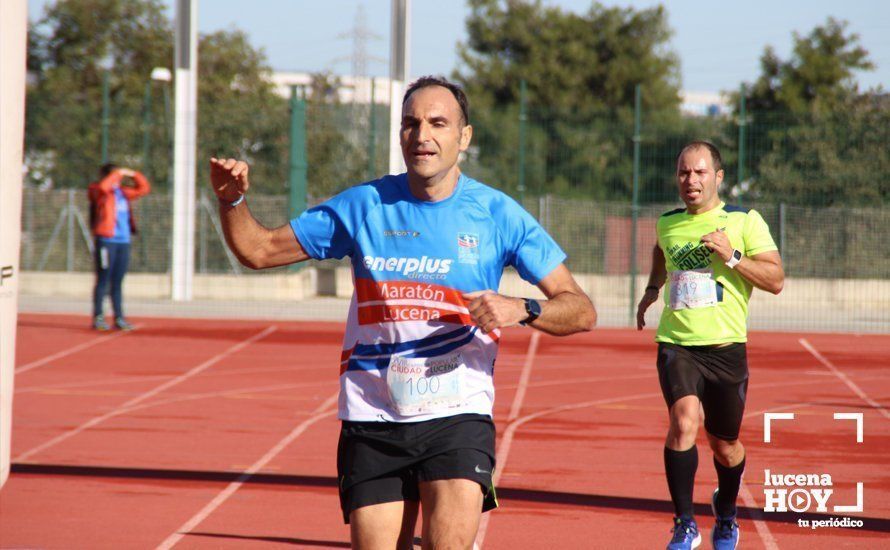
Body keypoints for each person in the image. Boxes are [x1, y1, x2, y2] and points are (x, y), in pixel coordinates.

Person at [209, 75, 596, 549]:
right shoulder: (365, 205)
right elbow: (260, 250)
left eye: (438, 123)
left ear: (464, 136)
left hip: (458, 414)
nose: (423, 135)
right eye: (411, 124)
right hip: (373, 417)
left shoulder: (497, 213)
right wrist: (232, 199)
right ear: (400, 135)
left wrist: (523, 306)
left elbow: (580, 309)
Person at [636, 141, 784, 550]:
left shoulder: (743, 220)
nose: (691, 180)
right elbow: (661, 251)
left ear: (718, 177)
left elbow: (775, 280)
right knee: (683, 422)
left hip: (725, 348)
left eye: (700, 172)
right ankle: (685, 523)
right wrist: (652, 287)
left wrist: (733, 256)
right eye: (684, 173)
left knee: (726, 444)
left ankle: (728, 511)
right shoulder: (668, 222)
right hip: (677, 343)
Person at [87, 163, 151, 331]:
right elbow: (103, 186)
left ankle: (119, 317)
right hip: (106, 241)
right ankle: (98, 316)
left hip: (123, 241)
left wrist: (134, 174)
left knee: (117, 281)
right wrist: (116, 174)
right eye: (115, 175)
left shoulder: (122, 193)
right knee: (103, 279)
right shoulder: (99, 191)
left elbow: (143, 188)